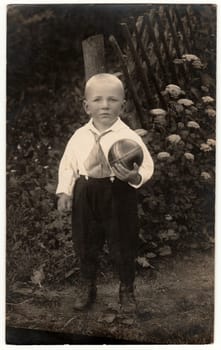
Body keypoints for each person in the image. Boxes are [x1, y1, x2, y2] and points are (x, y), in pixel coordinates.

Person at [56, 73, 154, 313]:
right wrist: (64, 193)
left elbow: (147, 165)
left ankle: (126, 289)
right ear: (86, 105)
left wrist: (134, 176)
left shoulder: (129, 138)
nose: (105, 105)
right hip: (86, 191)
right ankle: (87, 285)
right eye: (98, 100)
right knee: (85, 242)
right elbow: (68, 165)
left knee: (123, 242)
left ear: (124, 103)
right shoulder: (79, 136)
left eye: (112, 99)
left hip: (118, 191)